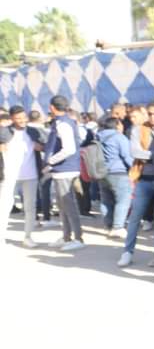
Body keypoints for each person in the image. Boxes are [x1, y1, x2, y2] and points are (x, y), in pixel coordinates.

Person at [118, 101, 154, 268]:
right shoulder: (138, 129)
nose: (152, 117)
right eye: (150, 114)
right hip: (143, 178)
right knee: (135, 216)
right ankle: (127, 252)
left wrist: (150, 156)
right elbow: (135, 152)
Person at [43, 96, 84, 252]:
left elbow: (68, 149)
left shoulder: (63, 124)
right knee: (63, 205)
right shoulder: (64, 122)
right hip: (63, 169)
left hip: (65, 169)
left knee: (68, 205)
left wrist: (51, 161)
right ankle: (66, 236)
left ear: (52, 107)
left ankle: (78, 238)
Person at [0, 107, 44, 247]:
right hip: (9, 175)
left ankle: (28, 237)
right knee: (4, 206)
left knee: (30, 207)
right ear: (12, 119)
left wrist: (40, 147)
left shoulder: (33, 131)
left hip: (30, 174)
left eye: (24, 117)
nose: (22, 120)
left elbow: (45, 145)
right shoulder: (4, 131)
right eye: (18, 118)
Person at [96, 117, 134, 237]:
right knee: (123, 200)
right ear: (117, 125)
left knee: (106, 200)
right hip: (118, 172)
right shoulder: (119, 137)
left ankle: (108, 225)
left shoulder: (97, 137)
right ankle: (118, 227)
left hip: (101, 172)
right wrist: (134, 169)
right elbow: (127, 155)